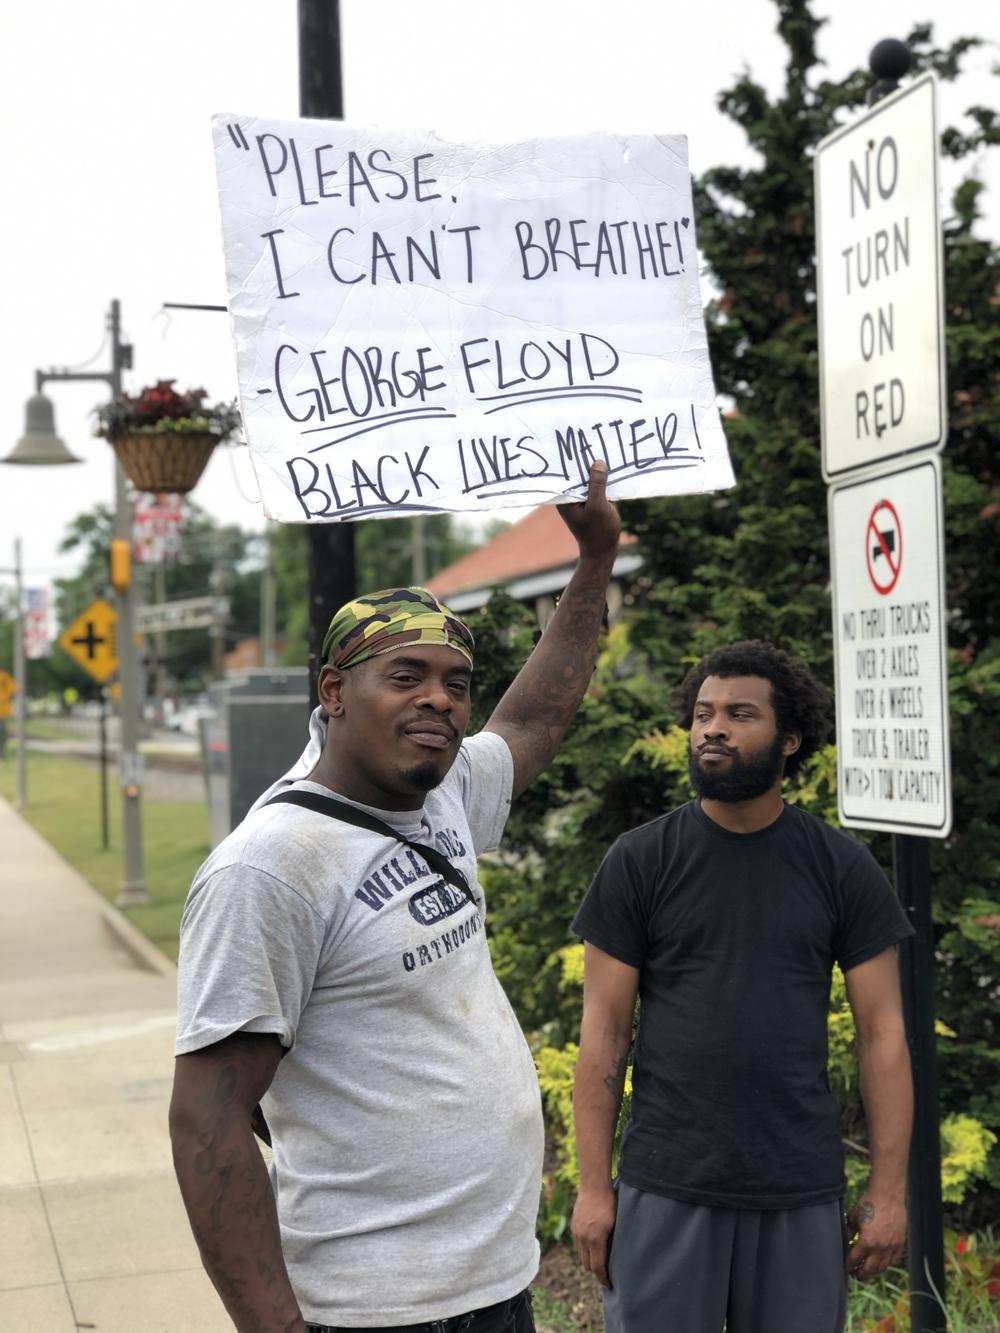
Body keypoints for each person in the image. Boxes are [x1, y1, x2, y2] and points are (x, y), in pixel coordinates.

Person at [169, 462, 620, 1333]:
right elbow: (208, 1122)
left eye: (454, 682)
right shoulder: (271, 867)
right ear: (334, 692)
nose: (439, 701)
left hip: (492, 1283)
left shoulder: (438, 788)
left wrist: (596, 558)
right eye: (406, 674)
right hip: (376, 1309)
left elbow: (530, 720)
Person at [570, 640, 914, 1333]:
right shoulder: (641, 861)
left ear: (789, 739)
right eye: (702, 713)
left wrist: (888, 1191)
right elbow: (604, 1033)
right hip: (666, 1184)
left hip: (797, 1187)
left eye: (739, 713)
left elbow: (883, 1036)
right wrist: (593, 1186)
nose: (712, 728)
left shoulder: (840, 867)